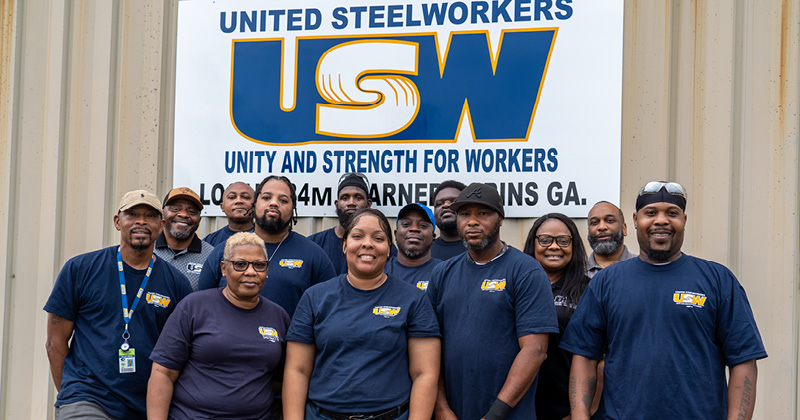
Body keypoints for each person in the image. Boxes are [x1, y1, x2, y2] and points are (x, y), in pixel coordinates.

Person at [561, 181, 768, 420]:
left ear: (684, 220)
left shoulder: (718, 280)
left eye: (672, 213)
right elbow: (585, 356)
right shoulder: (606, 282)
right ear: (635, 220)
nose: (661, 220)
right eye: (651, 213)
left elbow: (743, 360)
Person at [44, 190, 192, 420]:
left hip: (146, 405)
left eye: (150, 216)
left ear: (161, 225)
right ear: (117, 221)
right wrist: (71, 394)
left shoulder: (177, 283)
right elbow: (55, 342)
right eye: (132, 214)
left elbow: (180, 353)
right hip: (88, 398)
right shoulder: (80, 269)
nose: (141, 221)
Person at [283, 208, 441, 420]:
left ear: (389, 249)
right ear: (344, 245)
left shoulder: (414, 299)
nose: (367, 244)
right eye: (357, 236)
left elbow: (425, 374)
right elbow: (297, 370)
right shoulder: (314, 297)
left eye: (378, 238)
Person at [427, 183, 558, 420]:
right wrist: (442, 409)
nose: (472, 222)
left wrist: (495, 415)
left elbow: (535, 350)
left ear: (500, 220)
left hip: (507, 414)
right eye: (464, 214)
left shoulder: (526, 271)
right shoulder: (442, 273)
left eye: (483, 213)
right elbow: (428, 349)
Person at [148, 232, 290, 420]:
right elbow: (163, 374)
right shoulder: (193, 307)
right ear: (224, 268)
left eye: (259, 265)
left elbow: (281, 380)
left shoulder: (278, 316)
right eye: (240, 264)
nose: (250, 272)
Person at [198, 175, 336, 317]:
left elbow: (329, 309)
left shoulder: (313, 254)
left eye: (283, 200)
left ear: (293, 208)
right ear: (254, 204)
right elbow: (202, 304)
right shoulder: (225, 250)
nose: (274, 203)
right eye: (266, 197)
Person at [523, 213, 595, 420]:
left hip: (567, 409)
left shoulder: (588, 290)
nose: (554, 246)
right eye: (545, 240)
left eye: (563, 240)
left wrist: (581, 412)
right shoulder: (518, 286)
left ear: (574, 245)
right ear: (533, 244)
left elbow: (600, 357)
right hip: (519, 406)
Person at [308, 172, 373, 275]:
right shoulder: (314, 243)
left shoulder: (379, 245)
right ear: (337, 204)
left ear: (368, 204)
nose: (351, 203)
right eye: (345, 198)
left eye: (358, 198)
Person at [153, 187, 215, 291]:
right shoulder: (148, 248)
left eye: (191, 211)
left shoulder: (211, 256)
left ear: (199, 219)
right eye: (175, 209)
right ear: (163, 213)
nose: (183, 214)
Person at [385, 202, 442, 291]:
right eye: (406, 224)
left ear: (433, 237)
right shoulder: (381, 270)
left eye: (423, 225)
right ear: (395, 234)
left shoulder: (444, 272)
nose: (414, 228)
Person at [585, 201, 636, 278]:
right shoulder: (576, 273)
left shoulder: (643, 267)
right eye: (594, 222)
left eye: (609, 220)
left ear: (624, 229)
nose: (602, 227)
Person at [204, 181, 255, 247]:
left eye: (245, 197)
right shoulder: (209, 242)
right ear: (222, 207)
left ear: (256, 205)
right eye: (232, 197)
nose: (238, 201)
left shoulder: (267, 238)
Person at [429, 180, 467, 260]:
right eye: (439, 204)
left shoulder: (484, 249)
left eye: (454, 201)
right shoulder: (424, 253)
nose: (446, 205)